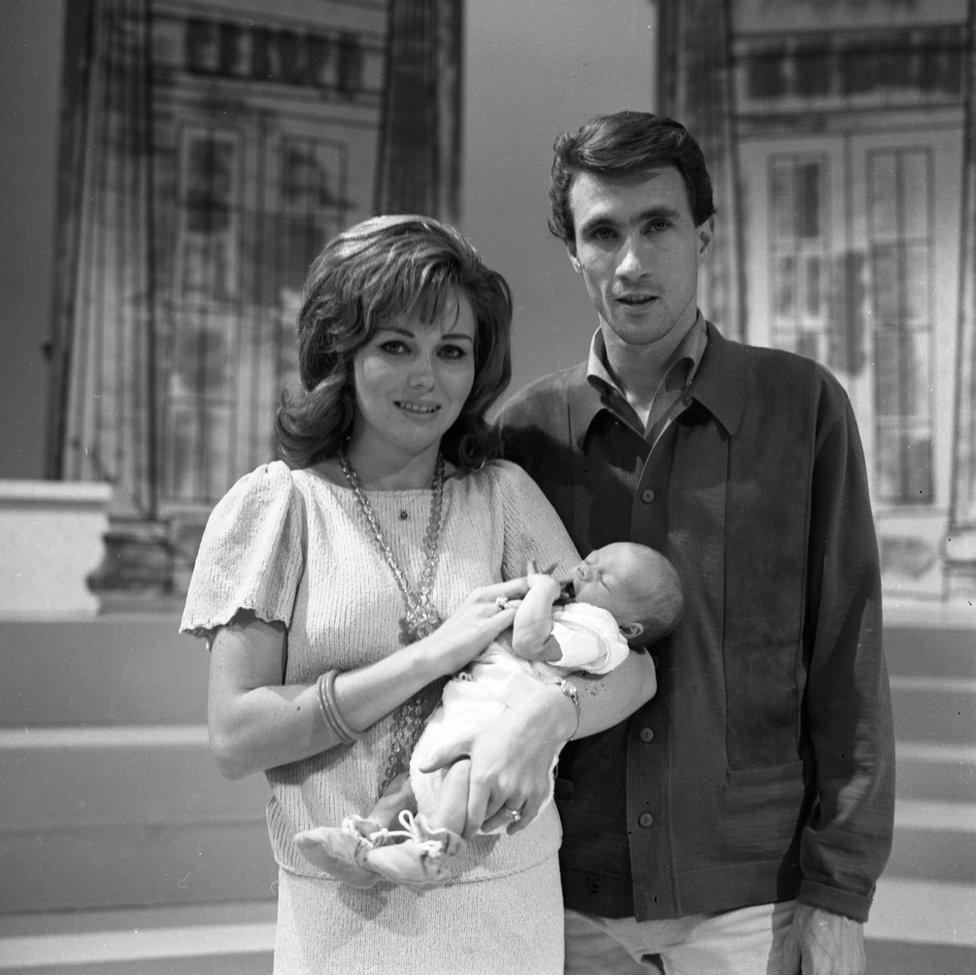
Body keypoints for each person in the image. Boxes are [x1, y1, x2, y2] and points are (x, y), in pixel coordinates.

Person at [180, 213, 658, 975]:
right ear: (342, 352)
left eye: (452, 351)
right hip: (344, 911)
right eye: (395, 345)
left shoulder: (505, 495)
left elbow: (632, 669)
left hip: (506, 900)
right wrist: (430, 655)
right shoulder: (279, 506)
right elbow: (236, 735)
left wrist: (551, 712)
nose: (426, 377)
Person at [498, 112, 895, 975]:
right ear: (575, 254)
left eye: (658, 225)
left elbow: (847, 666)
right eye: (603, 233)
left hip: (755, 907)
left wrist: (839, 897)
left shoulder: (802, 408)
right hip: (566, 904)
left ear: (704, 234)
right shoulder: (522, 435)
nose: (632, 262)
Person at [294, 540, 683, 888]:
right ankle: (367, 844)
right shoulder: (578, 610)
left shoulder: (600, 634)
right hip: (473, 708)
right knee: (409, 782)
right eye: (593, 557)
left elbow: (530, 641)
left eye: (605, 580)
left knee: (465, 770)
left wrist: (543, 591)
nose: (586, 569)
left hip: (500, 726)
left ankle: (430, 850)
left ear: (630, 628)